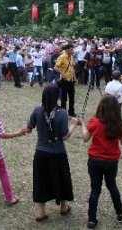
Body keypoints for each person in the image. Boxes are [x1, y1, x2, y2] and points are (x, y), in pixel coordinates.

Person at [23, 84, 80, 222]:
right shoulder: (62, 113)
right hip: (58, 154)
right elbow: (65, 136)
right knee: (62, 178)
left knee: (41, 181)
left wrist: (23, 130)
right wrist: (73, 124)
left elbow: (28, 128)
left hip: (41, 153)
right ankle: (63, 207)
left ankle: (40, 212)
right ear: (57, 96)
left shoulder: (37, 110)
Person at [80, 95, 122, 229]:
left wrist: (82, 124)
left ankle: (92, 220)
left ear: (101, 107)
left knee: (95, 190)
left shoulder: (94, 121)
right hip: (111, 162)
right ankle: (120, 213)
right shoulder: (119, 124)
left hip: (94, 161)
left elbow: (84, 138)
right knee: (112, 186)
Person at [55, 44, 77, 117]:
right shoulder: (62, 57)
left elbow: (72, 68)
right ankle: (63, 112)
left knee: (72, 97)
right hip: (64, 80)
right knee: (64, 98)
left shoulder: (71, 57)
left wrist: (74, 78)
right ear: (67, 50)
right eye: (71, 49)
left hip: (71, 80)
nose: (72, 50)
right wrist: (63, 74)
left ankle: (71, 111)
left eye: (72, 49)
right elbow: (56, 67)